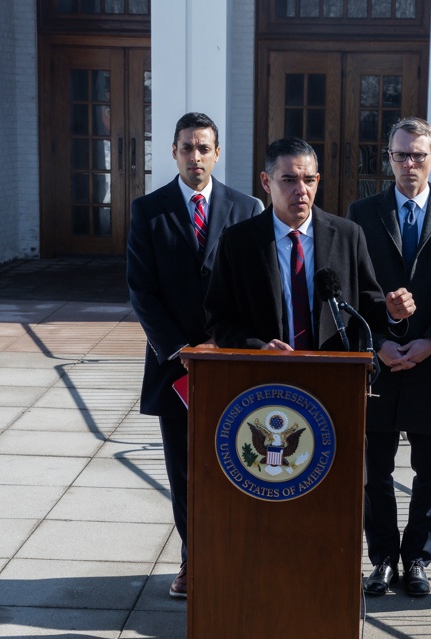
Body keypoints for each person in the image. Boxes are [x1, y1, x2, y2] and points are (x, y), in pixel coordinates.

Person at [127, 112, 263, 599]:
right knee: (185, 471)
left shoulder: (246, 209)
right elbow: (142, 291)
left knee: (236, 464)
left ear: (217, 153)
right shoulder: (149, 210)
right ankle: (193, 560)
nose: (196, 156)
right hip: (175, 366)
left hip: (232, 363)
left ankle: (237, 554)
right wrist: (181, 348)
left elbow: (255, 287)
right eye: (187, 147)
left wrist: (230, 344)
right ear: (174, 152)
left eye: (204, 147)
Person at [346, 118, 431, 597]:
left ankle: (417, 559)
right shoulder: (362, 213)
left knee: (430, 474)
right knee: (374, 473)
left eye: (418, 155)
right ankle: (381, 559)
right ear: (388, 158)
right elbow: (351, 288)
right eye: (400, 155)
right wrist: (378, 339)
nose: (408, 164)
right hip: (378, 361)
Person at [204, 137, 415, 352]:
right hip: (265, 376)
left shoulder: (348, 236)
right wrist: (259, 348)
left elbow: (368, 307)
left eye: (309, 180)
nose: (301, 190)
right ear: (266, 182)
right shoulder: (238, 241)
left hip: (333, 374)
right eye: (289, 180)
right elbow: (219, 319)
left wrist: (391, 313)